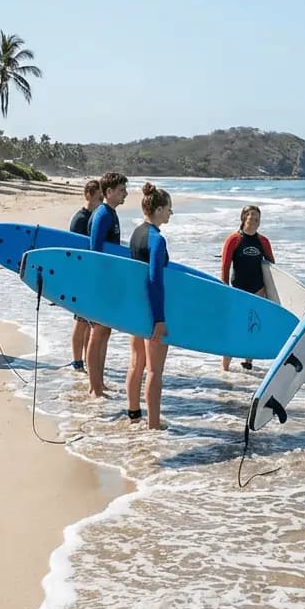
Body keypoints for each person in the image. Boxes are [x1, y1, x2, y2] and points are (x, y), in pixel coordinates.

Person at [125, 183, 172, 430]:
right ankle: (153, 425)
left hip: (136, 309)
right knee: (154, 370)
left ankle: (133, 414)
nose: (170, 214)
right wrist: (160, 319)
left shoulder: (136, 234)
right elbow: (155, 279)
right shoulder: (156, 238)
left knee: (136, 363)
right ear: (159, 209)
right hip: (150, 312)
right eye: (168, 210)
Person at [86, 171, 129, 398]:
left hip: (107, 282)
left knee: (105, 332)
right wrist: (101, 284)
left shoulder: (110, 213)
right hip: (100, 283)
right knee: (98, 332)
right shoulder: (103, 214)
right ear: (109, 192)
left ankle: (99, 382)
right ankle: (94, 386)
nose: (125, 194)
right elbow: (95, 252)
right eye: (121, 190)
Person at [220, 205, 275, 372]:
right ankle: (225, 367)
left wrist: (270, 291)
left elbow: (271, 265)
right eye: (251, 217)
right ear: (243, 218)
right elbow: (225, 264)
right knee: (234, 327)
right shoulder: (234, 239)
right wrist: (225, 287)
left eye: (257, 218)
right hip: (238, 289)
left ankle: (248, 362)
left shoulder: (263, 241)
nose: (254, 221)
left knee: (253, 327)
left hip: (258, 290)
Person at [68, 179, 102, 371]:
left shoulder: (93, 217)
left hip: (87, 276)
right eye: (98, 196)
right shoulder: (81, 219)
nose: (101, 200)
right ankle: (77, 361)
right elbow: (73, 250)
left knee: (90, 322)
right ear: (88, 195)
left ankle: (88, 359)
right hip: (80, 276)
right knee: (81, 322)